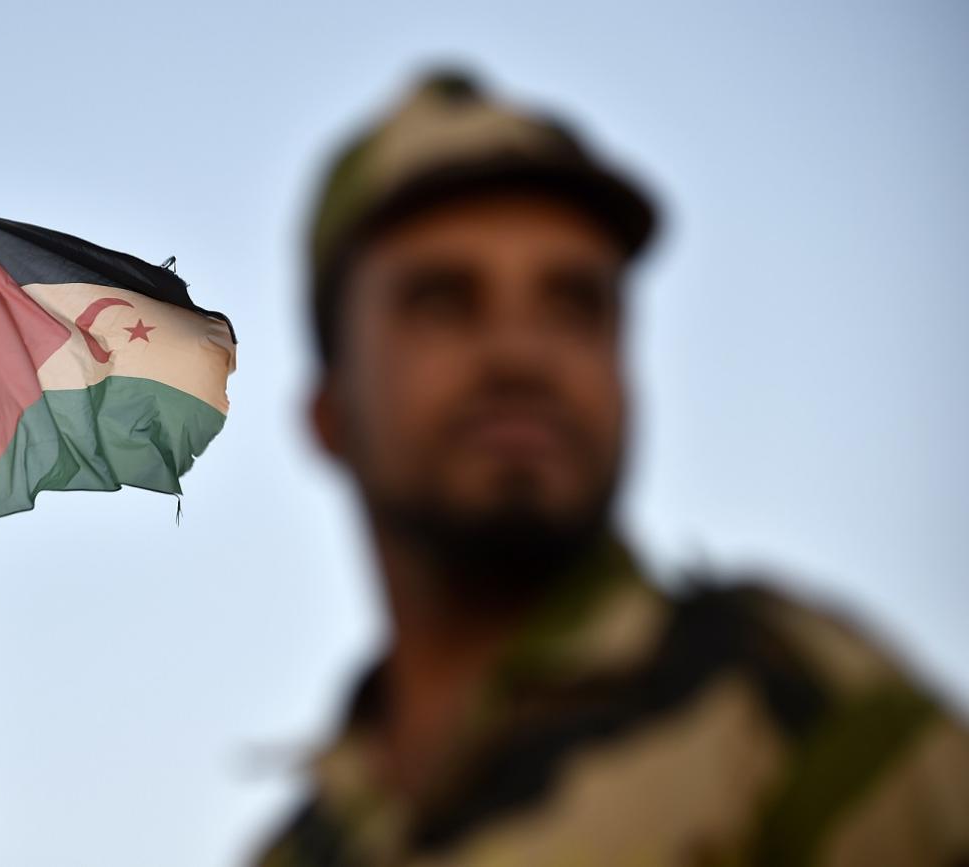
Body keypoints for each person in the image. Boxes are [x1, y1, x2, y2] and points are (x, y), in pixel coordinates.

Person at [252, 70, 969, 867]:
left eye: (574, 304)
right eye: (444, 301)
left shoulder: (789, 710)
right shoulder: (300, 852)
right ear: (329, 414)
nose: (521, 355)